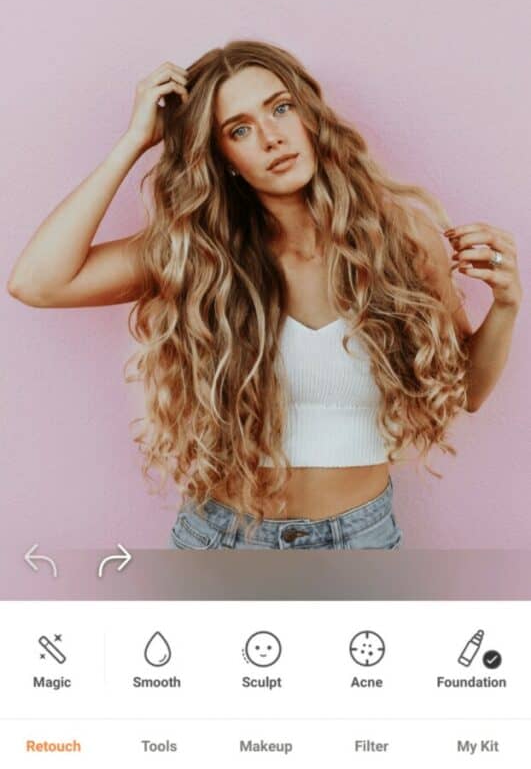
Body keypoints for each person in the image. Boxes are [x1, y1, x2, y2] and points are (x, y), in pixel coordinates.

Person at [7, 40, 522, 550]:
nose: (272, 137)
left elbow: (468, 392)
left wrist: (506, 306)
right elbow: (38, 282)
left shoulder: (400, 239)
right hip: (224, 540)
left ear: (310, 115)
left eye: (281, 108)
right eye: (240, 129)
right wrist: (136, 140)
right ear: (222, 156)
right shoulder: (198, 255)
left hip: (360, 540)